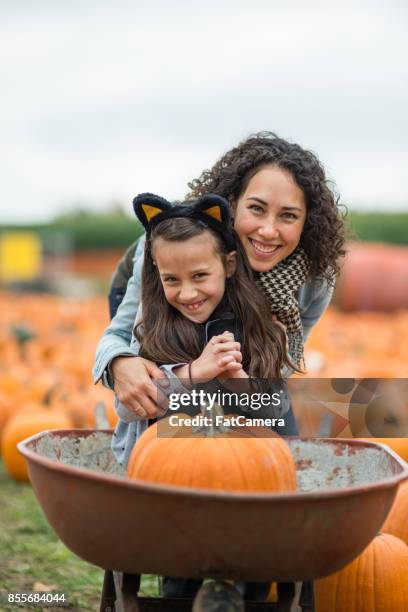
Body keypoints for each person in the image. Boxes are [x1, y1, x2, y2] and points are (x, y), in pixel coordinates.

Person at [93, 132, 346, 423]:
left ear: (306, 223)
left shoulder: (314, 278)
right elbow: (119, 334)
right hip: (155, 292)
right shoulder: (177, 250)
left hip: (236, 321)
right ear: (233, 203)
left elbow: (277, 375)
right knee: (165, 393)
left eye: (288, 216)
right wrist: (120, 363)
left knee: (273, 423)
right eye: (256, 208)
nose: (267, 230)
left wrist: (255, 375)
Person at [113, 191, 294, 468]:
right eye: (172, 279)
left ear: (228, 265)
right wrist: (193, 373)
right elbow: (127, 408)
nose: (187, 294)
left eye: (199, 276)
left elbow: (277, 414)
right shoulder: (153, 329)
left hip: (239, 466)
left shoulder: (258, 331)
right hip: (164, 467)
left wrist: (241, 384)